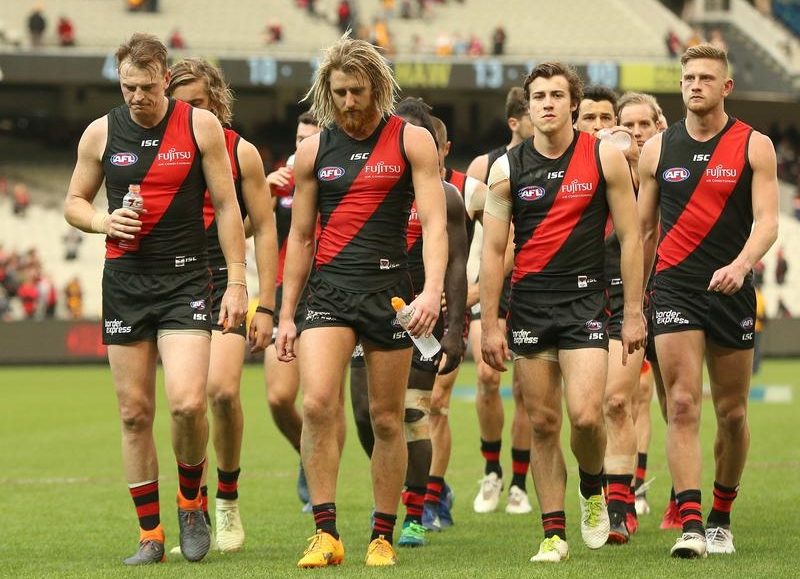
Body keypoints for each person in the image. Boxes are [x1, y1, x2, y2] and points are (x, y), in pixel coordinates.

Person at [63, 33, 248, 565]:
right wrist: (102, 221)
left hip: (186, 281)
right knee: (134, 413)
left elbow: (227, 207)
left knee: (188, 403)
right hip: (125, 283)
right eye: (128, 87)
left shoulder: (199, 126)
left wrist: (238, 281)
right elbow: (74, 201)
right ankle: (150, 534)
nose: (137, 97)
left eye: (146, 86)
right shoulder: (100, 133)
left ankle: (192, 503)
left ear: (165, 79)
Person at [275, 34, 447, 568]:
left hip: (388, 295)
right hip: (328, 293)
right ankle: (325, 533)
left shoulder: (411, 141)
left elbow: (435, 222)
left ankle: (382, 535)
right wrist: (286, 314)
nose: (349, 102)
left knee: (387, 419)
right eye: (340, 92)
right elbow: (301, 236)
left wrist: (432, 291)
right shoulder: (313, 151)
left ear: (377, 88)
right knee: (316, 405)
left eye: (357, 91)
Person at [481, 61, 645, 563]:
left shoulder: (603, 157)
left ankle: (592, 488)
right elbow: (493, 250)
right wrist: (489, 325)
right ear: (527, 106)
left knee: (587, 417)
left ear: (574, 104)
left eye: (556, 95)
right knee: (544, 422)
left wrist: (633, 312)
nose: (547, 103)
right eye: (539, 96)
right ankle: (553, 533)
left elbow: (632, 237)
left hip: (585, 304)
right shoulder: (506, 169)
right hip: (529, 307)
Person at [638, 44, 779, 558]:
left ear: (726, 87)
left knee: (733, 414)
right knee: (680, 404)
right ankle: (692, 524)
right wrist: (634, 302)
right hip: (674, 289)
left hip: (732, 291)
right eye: (689, 78)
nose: (695, 85)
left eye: (705, 78)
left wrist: (741, 265)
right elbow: (642, 232)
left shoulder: (754, 145)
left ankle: (721, 516)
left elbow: (768, 222)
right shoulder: (658, 149)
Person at [167, 57, 278, 553]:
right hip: (173, 285)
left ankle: (227, 501)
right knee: (185, 404)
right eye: (181, 104)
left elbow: (266, 227)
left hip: (223, 281)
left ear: (216, 100)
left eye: (198, 103)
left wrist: (267, 304)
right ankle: (193, 508)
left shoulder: (240, 152)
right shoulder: (158, 151)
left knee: (222, 393)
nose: (190, 113)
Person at [348, 97, 467, 549]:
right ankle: (399, 482)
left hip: (423, 320)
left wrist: (453, 329)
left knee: (413, 414)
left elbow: (457, 264)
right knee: (368, 415)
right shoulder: (367, 185)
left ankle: (416, 513)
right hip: (368, 310)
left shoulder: (446, 196)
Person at [465, 86, 534, 516]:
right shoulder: (485, 166)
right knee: (488, 377)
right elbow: (479, 231)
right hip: (490, 282)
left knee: (526, 390)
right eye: (531, 111)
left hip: (529, 284)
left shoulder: (555, 162)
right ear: (514, 121)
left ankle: (520, 484)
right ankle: (491, 470)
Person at [422, 115, 488, 530]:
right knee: (393, 411)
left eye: (432, 144)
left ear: (445, 149)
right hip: (402, 307)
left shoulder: (470, 189)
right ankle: (424, 485)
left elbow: (509, 238)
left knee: (435, 403)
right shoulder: (396, 185)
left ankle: (430, 496)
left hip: (449, 310)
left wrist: (476, 291)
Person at [263, 111, 325, 512]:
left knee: (322, 400)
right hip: (287, 291)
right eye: (299, 139)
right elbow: (248, 229)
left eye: (310, 139)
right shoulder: (283, 180)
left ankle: (322, 488)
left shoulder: (340, 174)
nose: (302, 146)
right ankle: (309, 455)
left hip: (330, 289)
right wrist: (263, 192)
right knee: (279, 397)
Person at [616, 91, 667, 521]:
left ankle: (667, 489)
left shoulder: (668, 171)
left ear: (657, 126)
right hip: (619, 298)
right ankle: (624, 491)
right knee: (622, 398)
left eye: (643, 125)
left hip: (665, 292)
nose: (635, 133)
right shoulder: (608, 174)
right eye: (628, 125)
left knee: (667, 398)